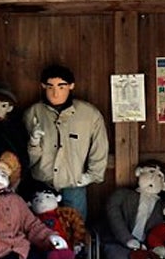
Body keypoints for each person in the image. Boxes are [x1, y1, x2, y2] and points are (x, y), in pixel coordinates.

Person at [23, 64, 109, 220]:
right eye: (50, 87)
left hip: (74, 183)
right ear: (43, 86)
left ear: (71, 86)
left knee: (75, 228)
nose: (55, 93)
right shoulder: (33, 113)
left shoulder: (89, 114)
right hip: (42, 184)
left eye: (61, 87)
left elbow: (100, 147)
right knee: (42, 229)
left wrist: (92, 176)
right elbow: (27, 157)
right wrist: (34, 142)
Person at [28, 183, 88, 259]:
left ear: (58, 198)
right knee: (46, 257)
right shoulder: (32, 219)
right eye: (37, 200)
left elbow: (78, 225)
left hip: (66, 245)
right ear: (30, 204)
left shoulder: (66, 213)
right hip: (45, 249)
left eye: (47, 197)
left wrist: (78, 242)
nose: (42, 201)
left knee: (68, 257)